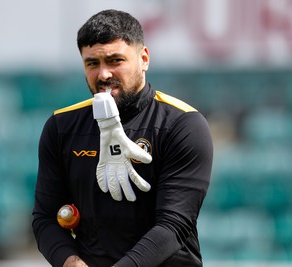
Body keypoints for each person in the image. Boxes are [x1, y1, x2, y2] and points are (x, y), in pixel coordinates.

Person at [32, 9, 213, 267]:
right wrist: (70, 262)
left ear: (144, 58)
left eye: (115, 60)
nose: (104, 74)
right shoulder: (61, 127)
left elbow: (173, 225)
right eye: (92, 63)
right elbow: (45, 219)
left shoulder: (183, 124)